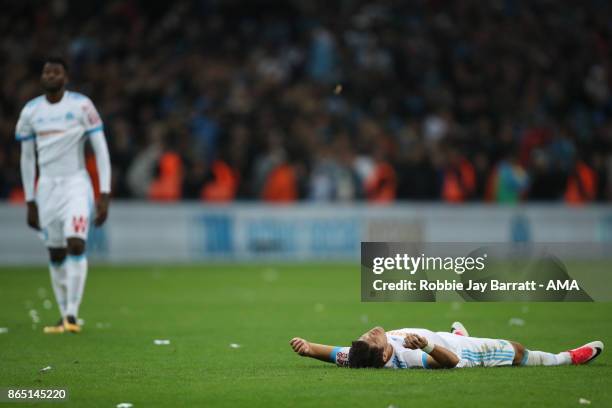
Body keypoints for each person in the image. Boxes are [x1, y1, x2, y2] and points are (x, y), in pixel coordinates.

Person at [16, 57, 111, 334]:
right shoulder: (31, 112)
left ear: (65, 78)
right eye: (47, 71)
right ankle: (62, 314)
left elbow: (101, 149)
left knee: (76, 244)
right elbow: (26, 158)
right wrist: (30, 199)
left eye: (56, 72)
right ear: (42, 77)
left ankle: (72, 314)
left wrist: (103, 193)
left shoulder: (82, 106)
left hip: (75, 185)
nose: (51, 75)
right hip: (46, 187)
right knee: (55, 252)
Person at [290, 322, 603, 369]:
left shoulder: (361, 355)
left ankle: (461, 335)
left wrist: (307, 347)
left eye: (364, 335)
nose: (371, 331)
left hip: (441, 337)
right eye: (372, 338)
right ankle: (566, 359)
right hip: (456, 350)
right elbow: (450, 363)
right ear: (385, 353)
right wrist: (426, 346)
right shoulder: (410, 356)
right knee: (517, 349)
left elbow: (333, 353)